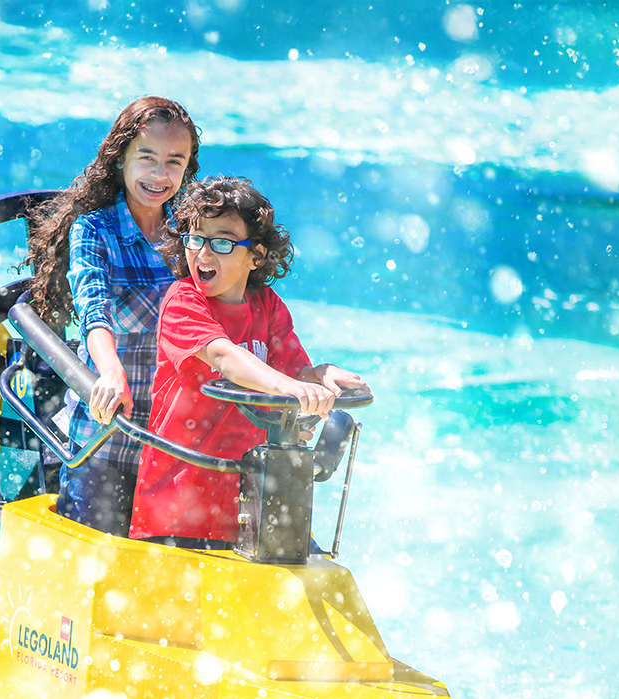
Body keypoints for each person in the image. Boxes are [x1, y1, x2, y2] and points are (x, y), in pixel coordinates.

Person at [129, 176, 368, 549]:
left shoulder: (267, 306)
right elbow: (224, 356)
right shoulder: (183, 301)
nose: (203, 254)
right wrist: (286, 385)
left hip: (249, 508)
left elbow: (295, 373)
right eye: (196, 239)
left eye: (222, 243)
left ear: (255, 256)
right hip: (176, 513)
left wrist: (321, 375)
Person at [23, 96, 201, 536]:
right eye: (147, 158)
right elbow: (93, 309)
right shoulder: (95, 229)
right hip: (106, 438)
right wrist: (109, 371)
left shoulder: (194, 233)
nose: (160, 175)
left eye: (174, 162)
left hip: (175, 447)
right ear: (120, 157)